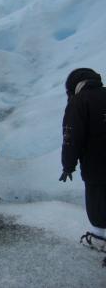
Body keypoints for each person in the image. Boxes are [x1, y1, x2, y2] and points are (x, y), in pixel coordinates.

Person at [59, 68, 106, 248]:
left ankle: (99, 239)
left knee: (97, 202)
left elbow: (71, 138)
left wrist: (68, 166)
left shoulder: (79, 102)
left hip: (96, 164)